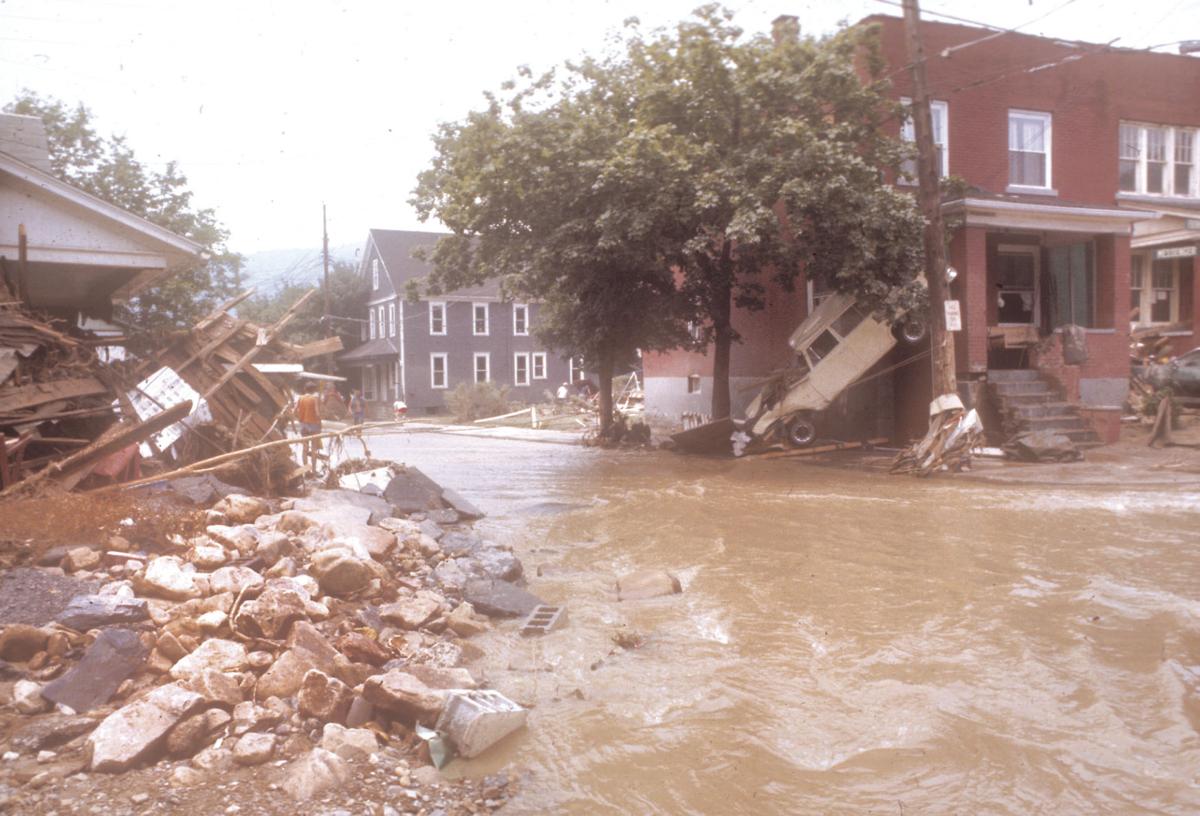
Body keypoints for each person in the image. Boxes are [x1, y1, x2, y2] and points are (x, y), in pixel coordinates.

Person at [295, 382, 323, 470]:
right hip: (313, 425)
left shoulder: (300, 398)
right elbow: (317, 412)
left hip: (303, 425)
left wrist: (299, 418)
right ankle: (314, 470)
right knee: (314, 448)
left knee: (305, 448)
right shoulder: (314, 398)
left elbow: (294, 410)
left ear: (305, 389)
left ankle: (306, 470)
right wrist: (320, 422)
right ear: (313, 390)